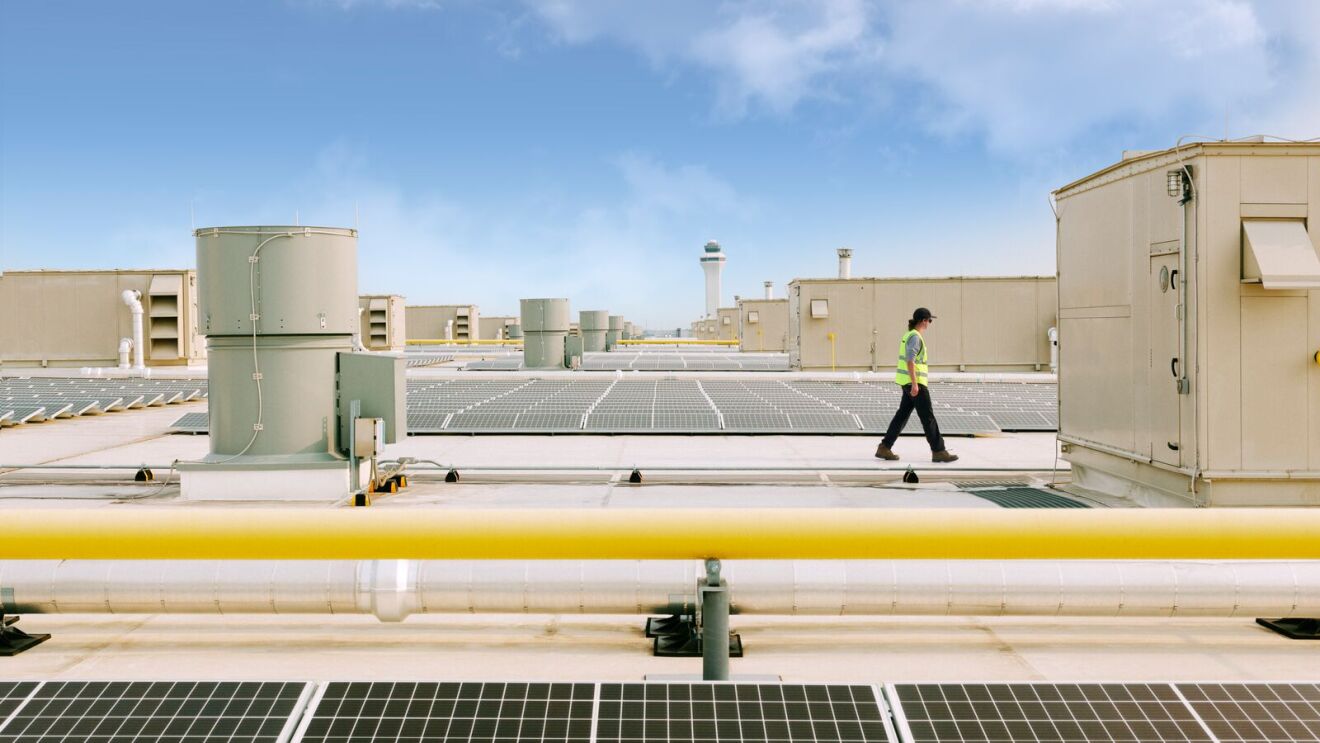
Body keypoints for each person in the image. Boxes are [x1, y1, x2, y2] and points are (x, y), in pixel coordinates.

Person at [875, 307, 958, 463]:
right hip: (915, 383)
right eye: (929, 320)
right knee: (928, 418)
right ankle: (939, 451)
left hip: (907, 382)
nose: (929, 324)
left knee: (902, 416)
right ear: (923, 321)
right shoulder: (915, 337)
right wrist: (914, 384)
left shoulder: (909, 335)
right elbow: (910, 360)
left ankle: (884, 447)